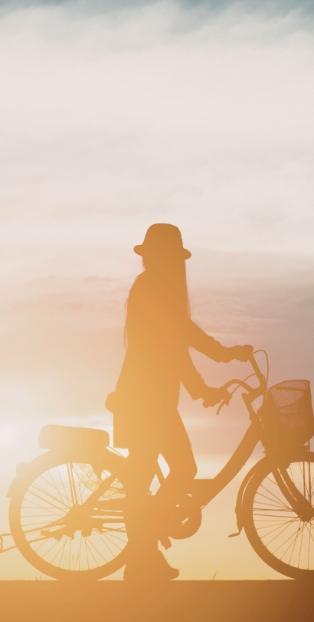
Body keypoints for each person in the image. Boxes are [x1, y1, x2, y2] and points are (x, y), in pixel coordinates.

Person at [106, 224, 253, 580]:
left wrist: (204, 387)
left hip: (151, 401)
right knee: (170, 473)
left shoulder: (156, 291)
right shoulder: (151, 290)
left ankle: (143, 556)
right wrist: (222, 356)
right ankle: (142, 551)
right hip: (144, 403)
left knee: (148, 478)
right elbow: (179, 340)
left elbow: (175, 347)